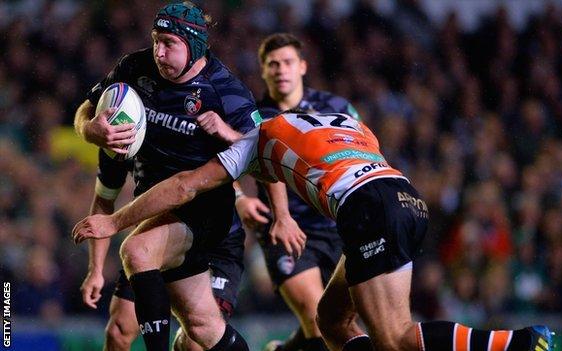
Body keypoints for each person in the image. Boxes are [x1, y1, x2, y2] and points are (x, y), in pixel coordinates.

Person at [73, 111, 554, 351]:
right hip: (404, 197)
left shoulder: (252, 142)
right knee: (332, 320)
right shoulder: (337, 120)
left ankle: (519, 342)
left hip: (367, 209)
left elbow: (184, 186)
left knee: (393, 337)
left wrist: (115, 222)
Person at [73, 2, 264, 350]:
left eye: (170, 44)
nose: (159, 52)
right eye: (156, 40)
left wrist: (231, 135)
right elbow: (87, 110)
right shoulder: (134, 69)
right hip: (157, 213)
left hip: (208, 216)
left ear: (194, 46)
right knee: (199, 329)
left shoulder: (226, 93)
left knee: (138, 250)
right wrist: (90, 130)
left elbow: (265, 153)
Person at [234, 33, 361, 351]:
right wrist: (239, 198)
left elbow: (362, 153)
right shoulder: (253, 115)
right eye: (272, 64)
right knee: (316, 314)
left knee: (339, 321)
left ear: (302, 66)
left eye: (288, 62)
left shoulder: (335, 107)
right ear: (263, 71)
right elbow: (222, 164)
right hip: (285, 229)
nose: (280, 70)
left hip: (336, 225)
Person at [79, 148, 244, 351]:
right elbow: (104, 201)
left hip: (215, 238)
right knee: (118, 330)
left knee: (195, 342)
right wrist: (95, 270)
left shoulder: (184, 124)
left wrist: (253, 202)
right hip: (156, 236)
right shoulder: (117, 140)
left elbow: (233, 155)